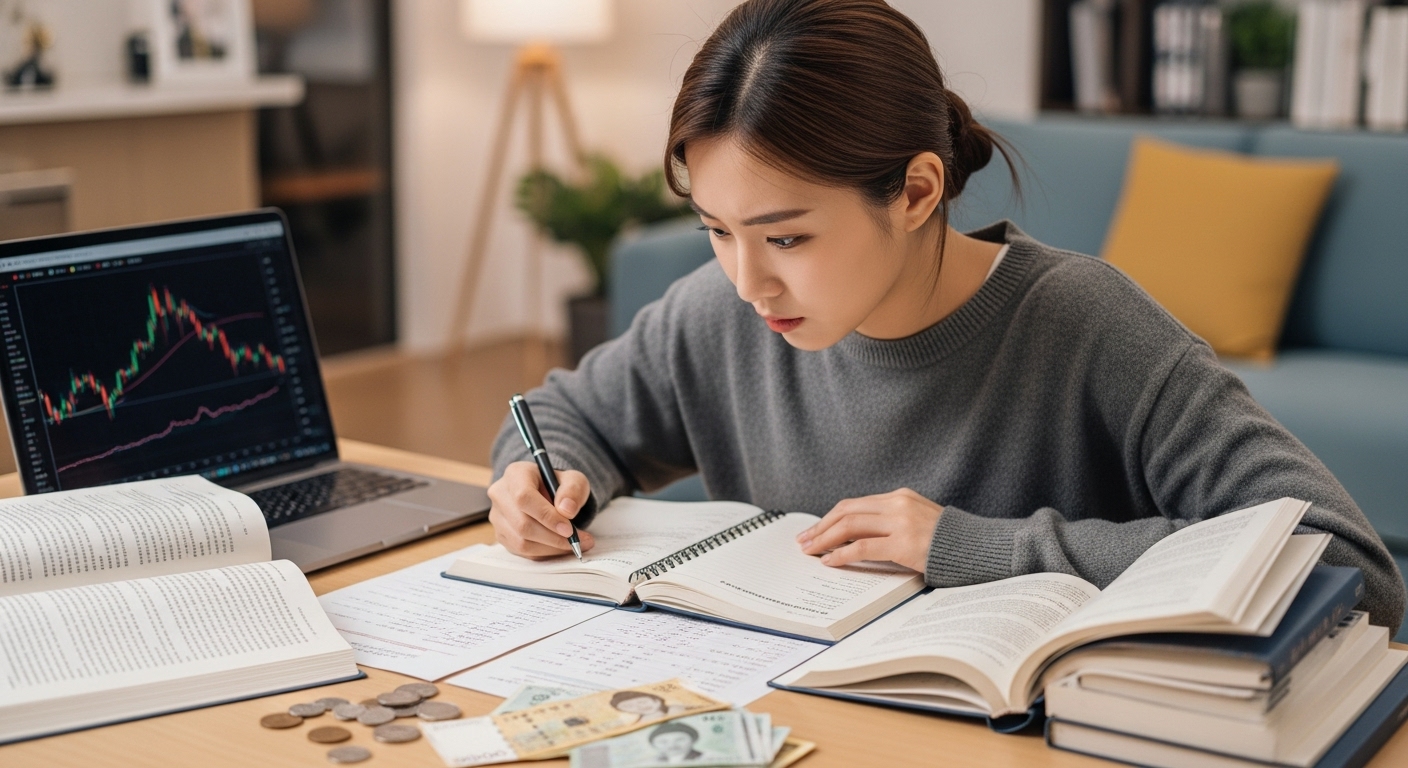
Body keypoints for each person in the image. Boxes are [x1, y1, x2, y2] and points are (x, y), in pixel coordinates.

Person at [486, 0, 1405, 631]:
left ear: (918, 189)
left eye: (787, 238)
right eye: (716, 231)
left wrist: (975, 546)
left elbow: (1352, 573)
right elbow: (563, 418)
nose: (746, 282)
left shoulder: (1085, 324)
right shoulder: (714, 316)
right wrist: (540, 477)